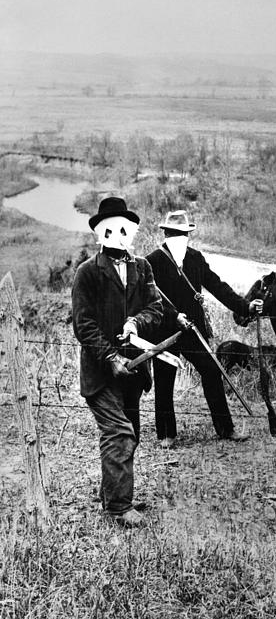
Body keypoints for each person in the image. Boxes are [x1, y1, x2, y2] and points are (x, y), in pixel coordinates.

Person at [72, 197, 163, 528]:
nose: (118, 234)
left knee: (130, 435)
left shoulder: (143, 268)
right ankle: (119, 508)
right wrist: (109, 357)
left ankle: (113, 494)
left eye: (124, 228)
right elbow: (83, 324)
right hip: (100, 373)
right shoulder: (87, 273)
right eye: (110, 228)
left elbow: (156, 308)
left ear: (132, 232)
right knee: (120, 433)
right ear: (99, 233)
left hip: (134, 370)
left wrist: (135, 323)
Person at [145, 210, 263, 446]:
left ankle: (225, 429)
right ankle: (166, 435)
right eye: (174, 234)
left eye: (183, 234)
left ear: (189, 235)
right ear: (166, 234)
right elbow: (149, 299)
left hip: (193, 331)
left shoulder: (195, 259)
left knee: (212, 372)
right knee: (165, 380)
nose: (179, 238)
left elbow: (218, 287)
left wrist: (246, 306)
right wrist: (173, 316)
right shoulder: (152, 262)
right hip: (165, 332)